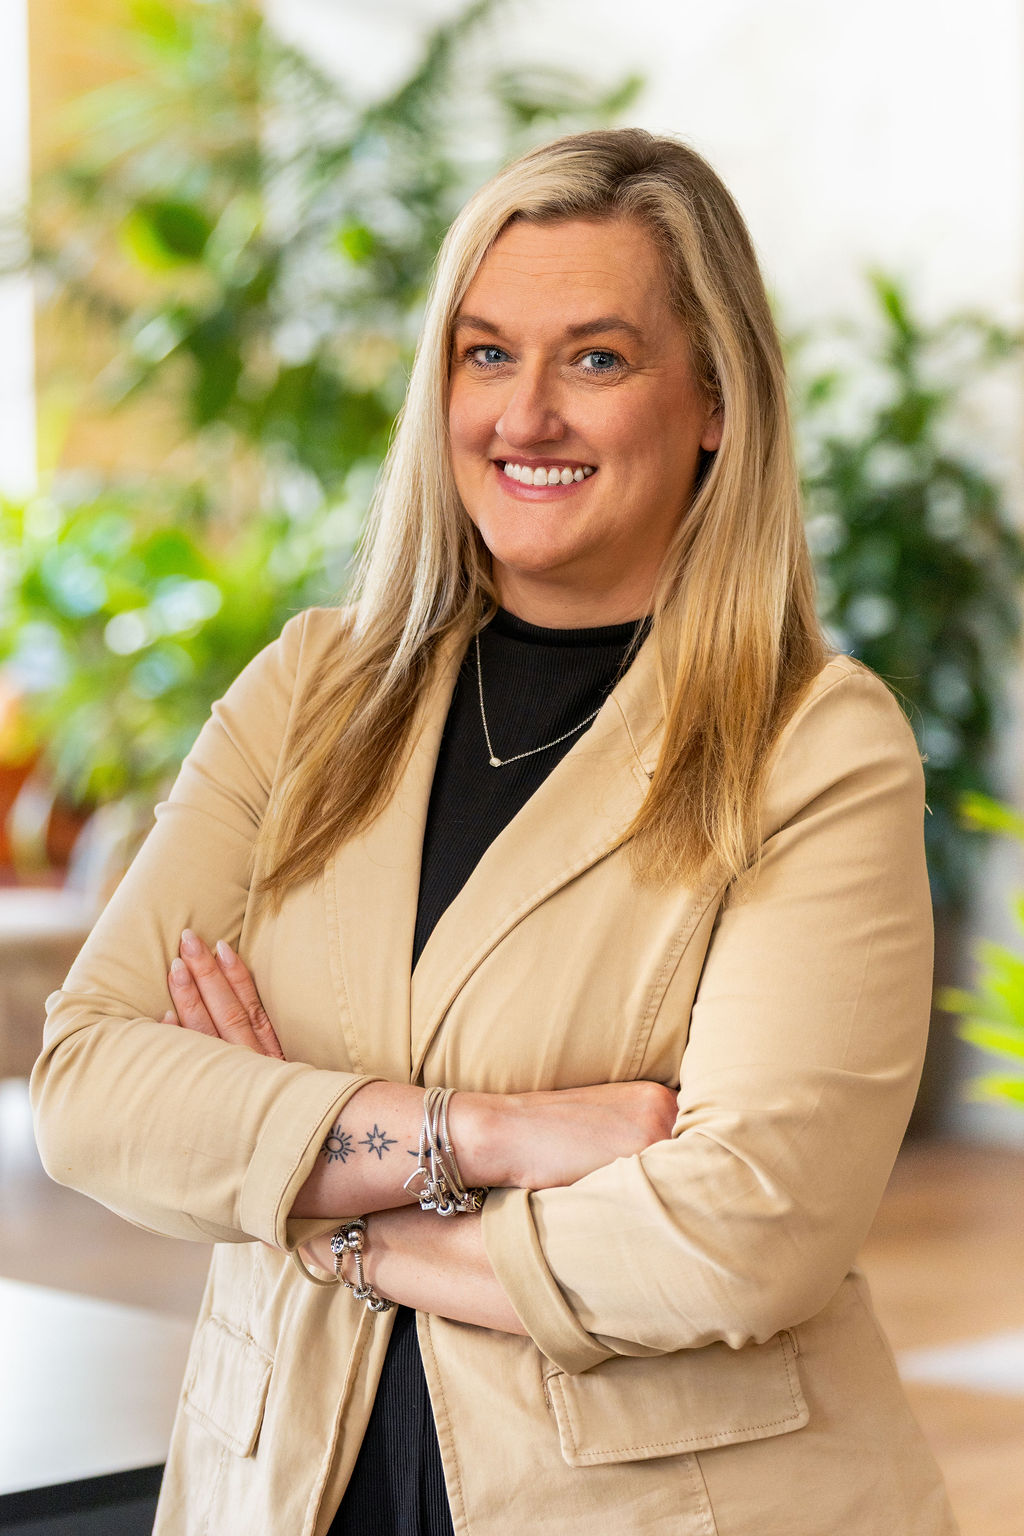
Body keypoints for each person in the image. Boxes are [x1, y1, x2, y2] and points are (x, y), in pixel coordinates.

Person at [31, 128, 959, 1536]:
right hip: (281, 1483)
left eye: (597, 359)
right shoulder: (307, 691)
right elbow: (92, 1089)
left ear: (714, 399)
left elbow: (742, 1234)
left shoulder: (813, 742)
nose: (526, 415)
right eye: (485, 355)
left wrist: (311, 1193)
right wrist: (500, 1135)